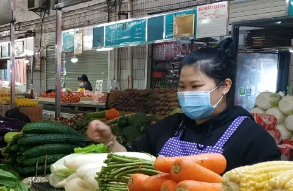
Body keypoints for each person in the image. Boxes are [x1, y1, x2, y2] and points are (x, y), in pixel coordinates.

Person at [88, 38, 280, 171]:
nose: (186, 94)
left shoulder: (252, 138)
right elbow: (131, 160)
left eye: (195, 86)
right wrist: (109, 140)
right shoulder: (170, 126)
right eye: (181, 86)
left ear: (225, 86)